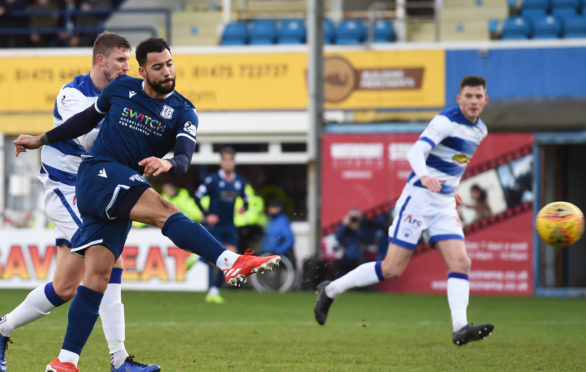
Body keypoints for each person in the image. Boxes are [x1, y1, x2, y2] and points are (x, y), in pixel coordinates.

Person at [14, 37, 280, 372]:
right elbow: (82, 123)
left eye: (169, 64)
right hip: (97, 175)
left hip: (119, 187)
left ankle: (65, 361)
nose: (167, 71)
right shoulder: (121, 89)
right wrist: (40, 139)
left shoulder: (184, 111)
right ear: (143, 71)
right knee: (164, 211)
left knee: (96, 277)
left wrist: (169, 164)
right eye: (158, 67)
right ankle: (228, 261)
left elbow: (184, 158)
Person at [1, 32, 159, 372]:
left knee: (66, 286)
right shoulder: (72, 95)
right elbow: (92, 139)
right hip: (67, 187)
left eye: (129, 62)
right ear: (100, 60)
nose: (126, 68)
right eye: (120, 61)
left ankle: (1, 329)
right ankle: (119, 359)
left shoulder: (126, 92)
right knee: (110, 262)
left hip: (95, 190)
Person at [313, 75, 494, 347]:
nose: (473, 101)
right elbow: (417, 153)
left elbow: (452, 163)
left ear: (485, 100)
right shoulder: (445, 121)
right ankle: (331, 289)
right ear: (459, 99)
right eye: (468, 96)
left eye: (478, 96)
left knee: (462, 263)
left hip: (442, 205)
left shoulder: (480, 130)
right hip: (418, 201)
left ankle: (460, 328)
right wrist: (424, 177)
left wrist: (450, 190)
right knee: (392, 269)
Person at [190, 147, 248, 304]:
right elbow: (197, 197)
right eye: (225, 160)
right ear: (221, 162)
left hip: (230, 226)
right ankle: (199, 259)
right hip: (215, 227)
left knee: (229, 260)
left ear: (234, 162)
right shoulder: (213, 180)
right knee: (216, 260)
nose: (228, 163)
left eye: (231, 160)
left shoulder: (239, 182)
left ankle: (214, 291)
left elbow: (246, 198)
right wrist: (207, 214)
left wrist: (244, 207)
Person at [261, 200, 295, 268]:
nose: (270, 209)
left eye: (272, 208)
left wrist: (278, 251)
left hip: (280, 257)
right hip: (268, 254)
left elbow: (289, 239)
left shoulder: (282, 221)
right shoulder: (270, 220)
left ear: (278, 208)